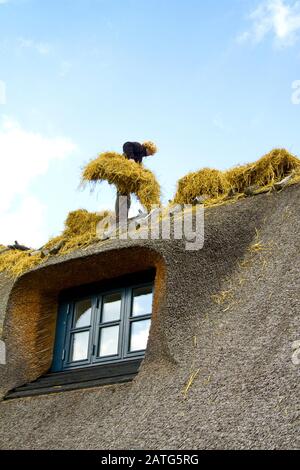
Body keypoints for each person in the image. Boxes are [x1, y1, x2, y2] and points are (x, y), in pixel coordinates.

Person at [115, 141, 157, 224]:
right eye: (151, 152)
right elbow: (126, 144)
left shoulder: (140, 157)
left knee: (126, 198)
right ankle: (120, 219)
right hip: (122, 173)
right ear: (147, 148)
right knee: (123, 196)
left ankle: (122, 218)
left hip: (126, 177)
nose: (150, 155)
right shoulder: (139, 147)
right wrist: (130, 157)